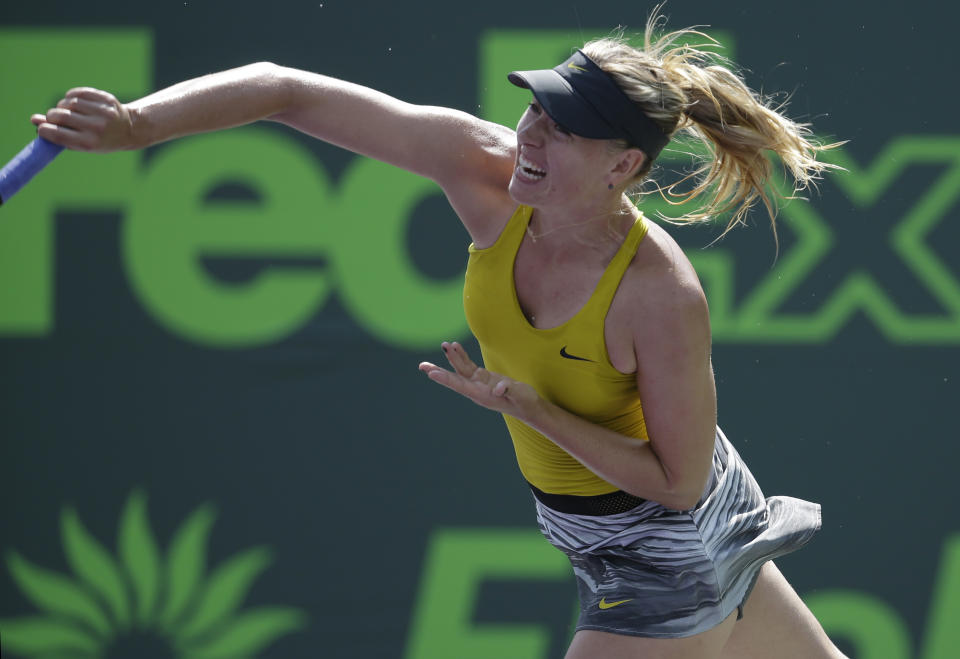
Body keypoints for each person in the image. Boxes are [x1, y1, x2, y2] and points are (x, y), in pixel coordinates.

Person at [31, 10, 846, 658]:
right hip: (642, 518)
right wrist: (139, 124)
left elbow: (675, 484)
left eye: (561, 128)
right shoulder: (486, 169)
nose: (529, 133)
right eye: (535, 108)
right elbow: (285, 89)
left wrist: (527, 409)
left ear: (623, 166)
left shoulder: (659, 294)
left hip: (666, 544)